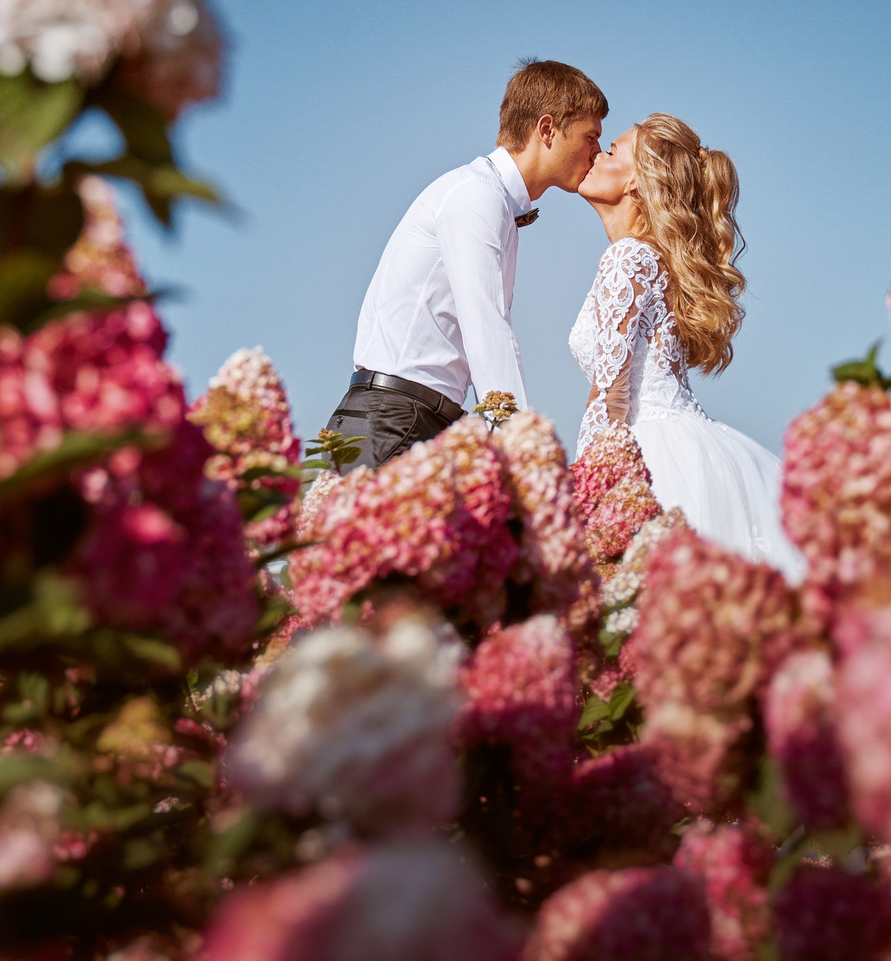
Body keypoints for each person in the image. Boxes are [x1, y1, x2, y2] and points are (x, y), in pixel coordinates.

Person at [325, 59, 608, 470]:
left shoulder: (490, 198)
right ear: (547, 130)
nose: (597, 152)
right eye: (591, 136)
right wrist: (524, 454)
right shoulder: (477, 196)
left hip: (410, 421)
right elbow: (487, 329)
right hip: (394, 422)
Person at [568, 113, 805, 579]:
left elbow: (612, 395)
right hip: (690, 445)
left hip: (647, 451)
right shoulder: (653, 258)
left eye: (611, 149)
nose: (597, 153)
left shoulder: (628, 257)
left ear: (638, 181)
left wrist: (586, 486)